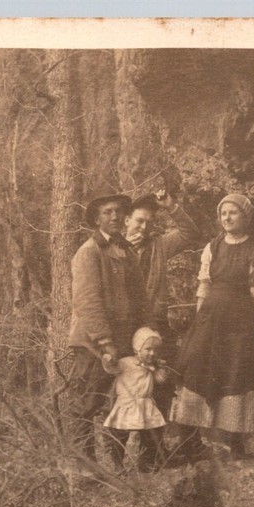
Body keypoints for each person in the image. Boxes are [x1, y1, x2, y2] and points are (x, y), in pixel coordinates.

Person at [170, 193, 254, 460]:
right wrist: (200, 319)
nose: (227, 218)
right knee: (195, 368)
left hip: (240, 324)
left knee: (236, 374)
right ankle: (190, 440)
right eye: (223, 214)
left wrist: (251, 315)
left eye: (234, 213)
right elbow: (203, 285)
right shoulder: (213, 247)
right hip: (208, 320)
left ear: (246, 217)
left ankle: (236, 441)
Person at [63, 191, 148, 461]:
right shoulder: (89, 252)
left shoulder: (125, 249)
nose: (114, 216)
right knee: (87, 403)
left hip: (122, 338)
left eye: (118, 211)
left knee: (120, 400)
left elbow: (138, 298)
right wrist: (105, 342)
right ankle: (84, 467)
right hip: (93, 342)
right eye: (107, 212)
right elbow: (87, 302)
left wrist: (145, 331)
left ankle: (116, 462)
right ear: (97, 218)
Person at [124, 190, 203, 445]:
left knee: (164, 382)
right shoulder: (113, 248)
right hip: (125, 327)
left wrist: (171, 206)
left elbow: (190, 234)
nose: (144, 227)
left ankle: (154, 451)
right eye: (139, 221)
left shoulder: (159, 245)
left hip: (155, 324)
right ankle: (120, 451)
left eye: (149, 222)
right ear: (126, 220)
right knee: (128, 388)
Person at [102, 327, 171, 473]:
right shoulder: (126, 362)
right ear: (137, 348)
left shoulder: (152, 366)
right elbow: (112, 368)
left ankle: (146, 462)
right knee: (120, 435)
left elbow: (161, 380)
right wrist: (109, 360)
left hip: (146, 404)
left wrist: (160, 369)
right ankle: (118, 465)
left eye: (155, 350)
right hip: (127, 404)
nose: (152, 353)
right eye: (148, 349)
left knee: (152, 434)